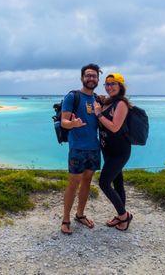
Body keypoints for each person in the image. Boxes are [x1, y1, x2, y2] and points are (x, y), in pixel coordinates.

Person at [60, 63, 102, 235]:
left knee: (87, 182)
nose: (91, 78)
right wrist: (73, 123)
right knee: (73, 183)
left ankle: (80, 214)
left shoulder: (97, 99)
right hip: (77, 148)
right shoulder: (72, 96)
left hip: (94, 148)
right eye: (88, 75)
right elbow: (64, 122)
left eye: (94, 76)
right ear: (82, 78)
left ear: (98, 79)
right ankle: (65, 219)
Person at [93, 72, 134, 231]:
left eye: (113, 84)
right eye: (107, 84)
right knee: (118, 183)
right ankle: (120, 217)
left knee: (104, 182)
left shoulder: (121, 104)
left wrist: (98, 113)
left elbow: (114, 127)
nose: (109, 87)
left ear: (120, 86)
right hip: (108, 150)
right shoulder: (108, 103)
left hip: (120, 151)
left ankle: (125, 216)